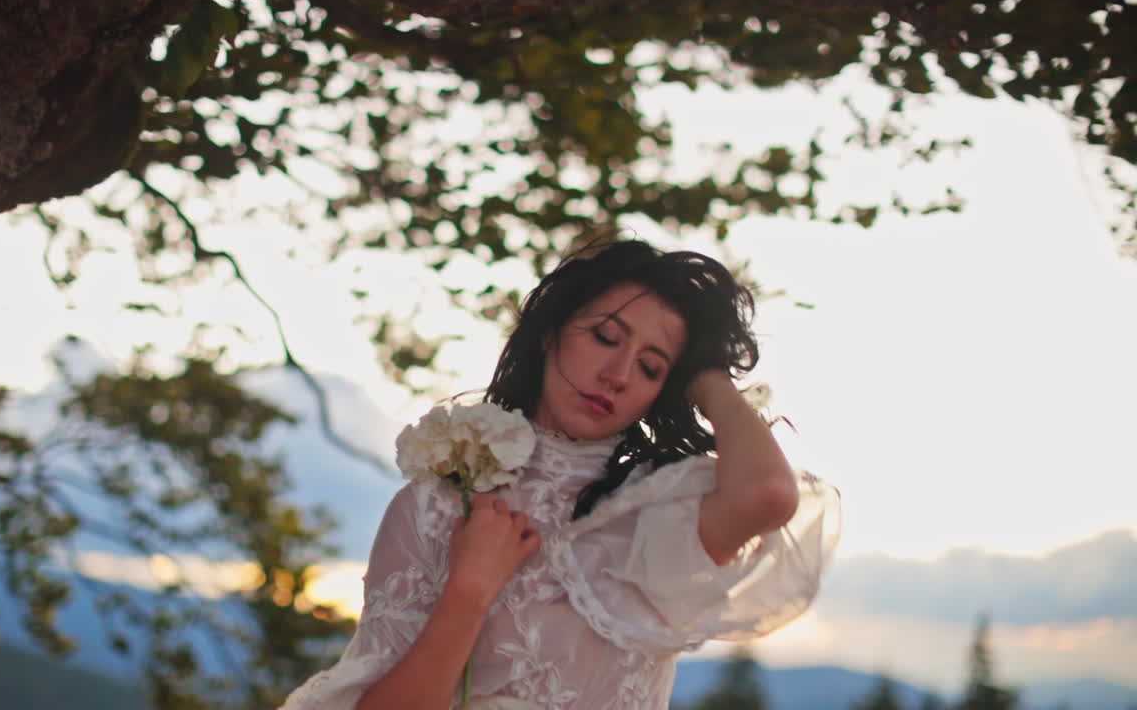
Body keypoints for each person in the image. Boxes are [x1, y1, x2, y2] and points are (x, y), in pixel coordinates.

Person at [281, 240, 841, 710]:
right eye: (605, 337)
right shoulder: (439, 504)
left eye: (650, 367)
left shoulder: (657, 512)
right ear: (551, 331)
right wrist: (469, 590)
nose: (618, 374)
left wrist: (704, 372)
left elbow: (768, 494)